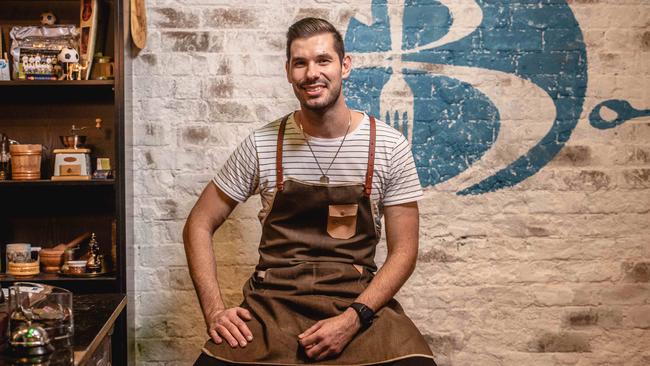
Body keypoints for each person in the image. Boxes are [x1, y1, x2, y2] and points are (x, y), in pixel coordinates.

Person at [184, 17, 436, 366]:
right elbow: (198, 223)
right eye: (300, 63)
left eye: (323, 60)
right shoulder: (261, 145)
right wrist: (214, 312)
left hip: (357, 300)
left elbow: (405, 250)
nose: (311, 73)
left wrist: (352, 319)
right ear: (288, 71)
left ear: (344, 66)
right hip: (273, 300)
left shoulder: (388, 146)